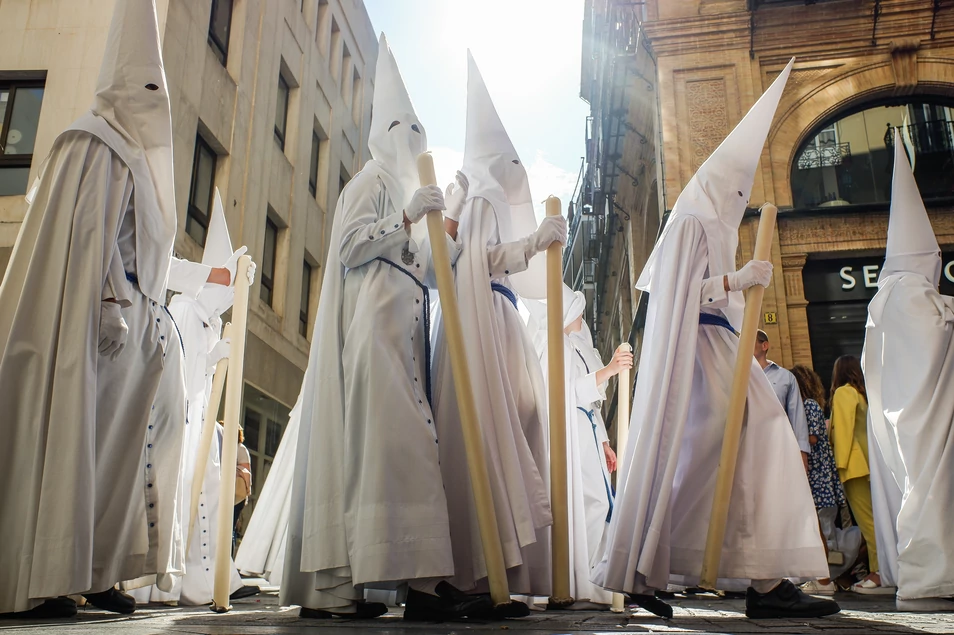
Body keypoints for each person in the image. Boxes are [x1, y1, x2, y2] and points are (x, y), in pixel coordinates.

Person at [0, 0, 240, 618]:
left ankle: (97, 567)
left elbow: (150, 258)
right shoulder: (93, 141)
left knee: (120, 454)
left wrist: (194, 278)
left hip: (132, 328)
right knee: (81, 441)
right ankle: (49, 573)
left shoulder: (135, 158)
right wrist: (109, 299)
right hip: (97, 325)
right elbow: (90, 235)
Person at [591, 59, 838, 620]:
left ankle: (756, 577)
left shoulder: (713, 220)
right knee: (744, 439)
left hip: (718, 343)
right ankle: (747, 580)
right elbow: (679, 292)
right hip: (699, 349)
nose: (740, 194)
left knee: (722, 453)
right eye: (737, 185)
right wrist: (736, 279)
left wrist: (738, 282)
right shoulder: (691, 220)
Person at [281, 34, 491, 622]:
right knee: (408, 452)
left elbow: (429, 269)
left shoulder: (402, 191)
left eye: (419, 132)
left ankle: (404, 580)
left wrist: (447, 211)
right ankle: (421, 584)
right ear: (381, 134)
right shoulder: (369, 183)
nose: (411, 143)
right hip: (373, 342)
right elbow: (348, 247)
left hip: (405, 343)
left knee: (404, 454)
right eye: (402, 131)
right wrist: (406, 217)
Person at [431, 51, 563, 605]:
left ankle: (499, 573)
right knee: (489, 432)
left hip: (500, 317)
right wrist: (535, 242)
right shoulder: (484, 193)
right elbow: (485, 257)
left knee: (515, 426)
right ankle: (481, 574)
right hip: (488, 317)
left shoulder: (486, 195)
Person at [865, 131, 954, 611]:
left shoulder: (882, 298)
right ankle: (930, 582)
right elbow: (933, 336)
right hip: (924, 415)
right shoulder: (914, 294)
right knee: (931, 493)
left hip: (902, 408)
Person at [549, 285, 632, 608]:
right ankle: (581, 582)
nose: (582, 317)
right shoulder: (557, 346)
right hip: (571, 432)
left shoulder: (578, 346)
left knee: (602, 503)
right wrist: (610, 369)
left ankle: (598, 583)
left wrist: (605, 443)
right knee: (591, 503)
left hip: (588, 432)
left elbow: (592, 401)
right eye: (578, 310)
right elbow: (566, 391)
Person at [829, 355, 890, 595]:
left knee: (868, 523)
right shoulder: (862, 394)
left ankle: (879, 573)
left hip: (853, 467)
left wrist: (838, 465)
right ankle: (883, 570)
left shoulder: (843, 393)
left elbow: (843, 432)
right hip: (867, 465)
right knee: (875, 520)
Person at [791, 365, 846, 596]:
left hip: (818, 478)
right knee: (815, 530)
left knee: (818, 530)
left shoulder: (808, 406)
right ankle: (821, 579)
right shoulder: (807, 406)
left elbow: (811, 437)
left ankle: (825, 581)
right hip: (815, 477)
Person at [754, 330, 810, 471]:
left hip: (780, 446)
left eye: (749, 340)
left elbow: (797, 416)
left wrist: (802, 453)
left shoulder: (786, 377)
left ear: (764, 345)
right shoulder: (738, 376)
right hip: (750, 448)